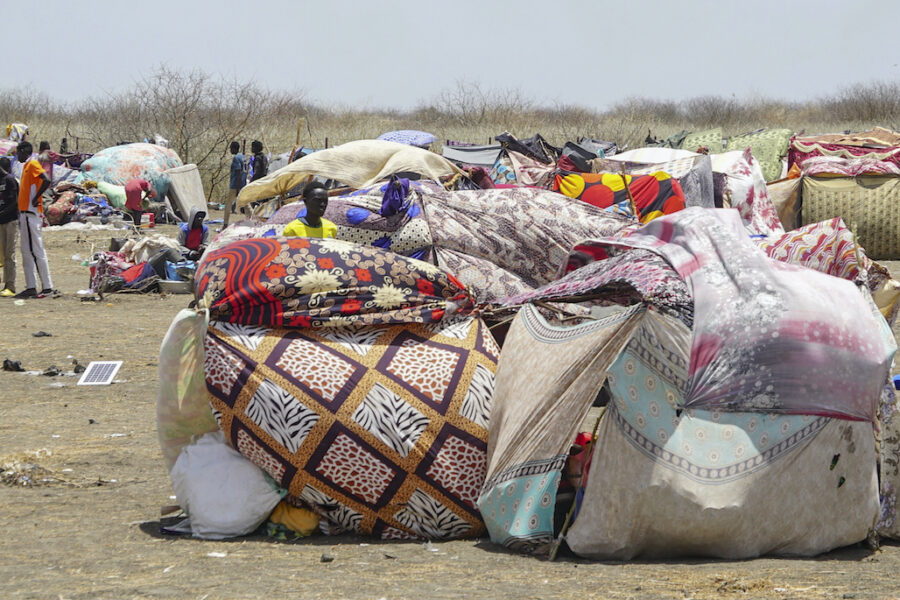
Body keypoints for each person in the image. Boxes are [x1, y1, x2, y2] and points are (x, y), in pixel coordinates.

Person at [15, 141, 55, 298]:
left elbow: (46, 179)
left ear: (25, 151)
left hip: (31, 213)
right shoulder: (26, 167)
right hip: (25, 214)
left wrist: (36, 198)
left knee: (36, 250)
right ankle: (31, 286)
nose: (17, 155)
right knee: (26, 251)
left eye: (19, 152)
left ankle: (47, 287)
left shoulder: (32, 164)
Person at [0, 157, 19, 297]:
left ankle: (10, 285)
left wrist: (2, 212)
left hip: (10, 221)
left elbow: (16, 202)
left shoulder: (10, 180)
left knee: (9, 254)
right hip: (0, 222)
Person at [223, 141, 245, 228]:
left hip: (235, 185)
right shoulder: (243, 157)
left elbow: (238, 171)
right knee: (246, 204)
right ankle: (253, 220)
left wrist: (238, 188)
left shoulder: (236, 158)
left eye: (231, 148)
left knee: (228, 204)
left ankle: (225, 224)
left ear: (234, 149)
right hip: (243, 184)